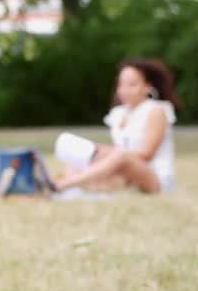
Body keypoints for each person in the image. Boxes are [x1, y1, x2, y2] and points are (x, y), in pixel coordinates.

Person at [55, 58, 179, 194]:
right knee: (76, 152)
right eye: (121, 84)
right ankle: (61, 186)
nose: (124, 90)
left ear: (148, 86)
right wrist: (98, 153)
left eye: (132, 84)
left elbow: (146, 155)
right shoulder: (118, 114)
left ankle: (62, 185)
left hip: (154, 179)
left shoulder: (156, 111)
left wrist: (106, 153)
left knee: (119, 155)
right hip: (127, 176)